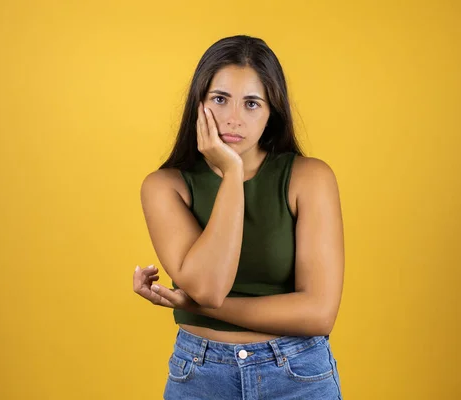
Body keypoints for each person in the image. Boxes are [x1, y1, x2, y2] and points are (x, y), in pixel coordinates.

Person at [134, 34, 344, 399]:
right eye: (220, 99)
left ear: (271, 113)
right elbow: (208, 287)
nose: (233, 119)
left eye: (251, 103)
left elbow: (318, 314)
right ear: (199, 104)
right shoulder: (165, 186)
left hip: (297, 375)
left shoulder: (309, 177)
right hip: (200, 376)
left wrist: (194, 306)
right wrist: (232, 174)